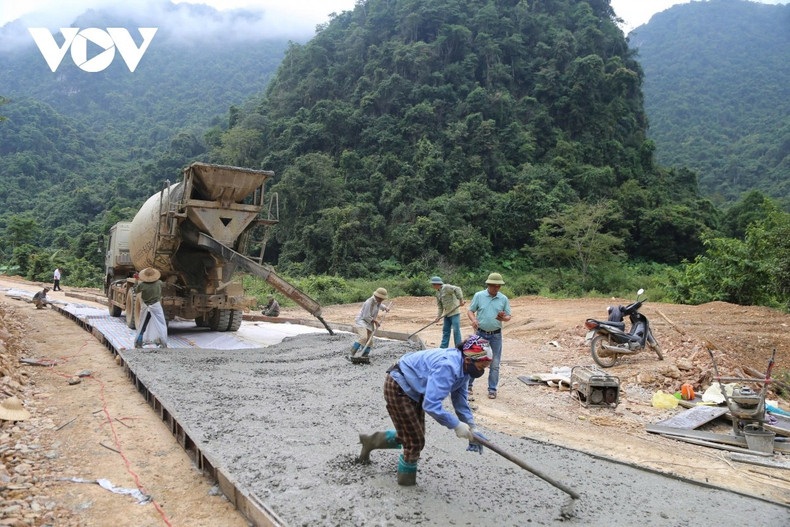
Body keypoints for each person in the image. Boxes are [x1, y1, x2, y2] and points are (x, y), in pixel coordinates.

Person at [357, 335, 492, 486]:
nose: (482, 371)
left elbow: (460, 400)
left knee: (413, 434)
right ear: (469, 359)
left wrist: (471, 426)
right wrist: (456, 425)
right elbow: (431, 405)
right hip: (399, 384)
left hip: (416, 388)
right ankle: (406, 486)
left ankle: (370, 442)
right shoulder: (448, 366)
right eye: (481, 367)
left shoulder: (465, 369)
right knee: (415, 441)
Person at [467, 272, 512, 400]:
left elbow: (508, 316)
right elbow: (470, 310)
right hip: (481, 333)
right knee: (474, 359)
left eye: (498, 286)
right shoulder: (479, 296)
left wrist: (503, 318)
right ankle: (468, 386)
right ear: (488, 285)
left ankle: (492, 389)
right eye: (494, 286)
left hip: (496, 335)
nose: (496, 288)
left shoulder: (503, 299)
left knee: (495, 363)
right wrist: (474, 320)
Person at [348, 287, 389, 364]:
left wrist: (385, 308)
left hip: (369, 323)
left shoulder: (377, 301)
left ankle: (364, 355)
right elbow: (365, 316)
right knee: (363, 337)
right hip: (362, 321)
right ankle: (351, 354)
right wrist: (375, 321)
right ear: (377, 296)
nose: (382, 300)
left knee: (370, 341)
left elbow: (380, 305)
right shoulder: (369, 302)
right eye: (381, 298)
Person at [134, 267, 168, 349]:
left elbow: (135, 290)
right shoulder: (159, 283)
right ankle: (163, 343)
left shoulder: (142, 285)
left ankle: (139, 342)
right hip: (156, 306)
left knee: (143, 324)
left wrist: (136, 280)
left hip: (145, 307)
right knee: (161, 324)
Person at [430, 276, 465, 348]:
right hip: (446, 314)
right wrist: (438, 317)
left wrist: (461, 300)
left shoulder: (446, 287)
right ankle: (443, 348)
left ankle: (458, 348)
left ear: (437, 284)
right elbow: (440, 306)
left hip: (454, 313)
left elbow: (457, 289)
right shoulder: (437, 293)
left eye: (433, 284)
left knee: (456, 331)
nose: (433, 286)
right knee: (446, 331)